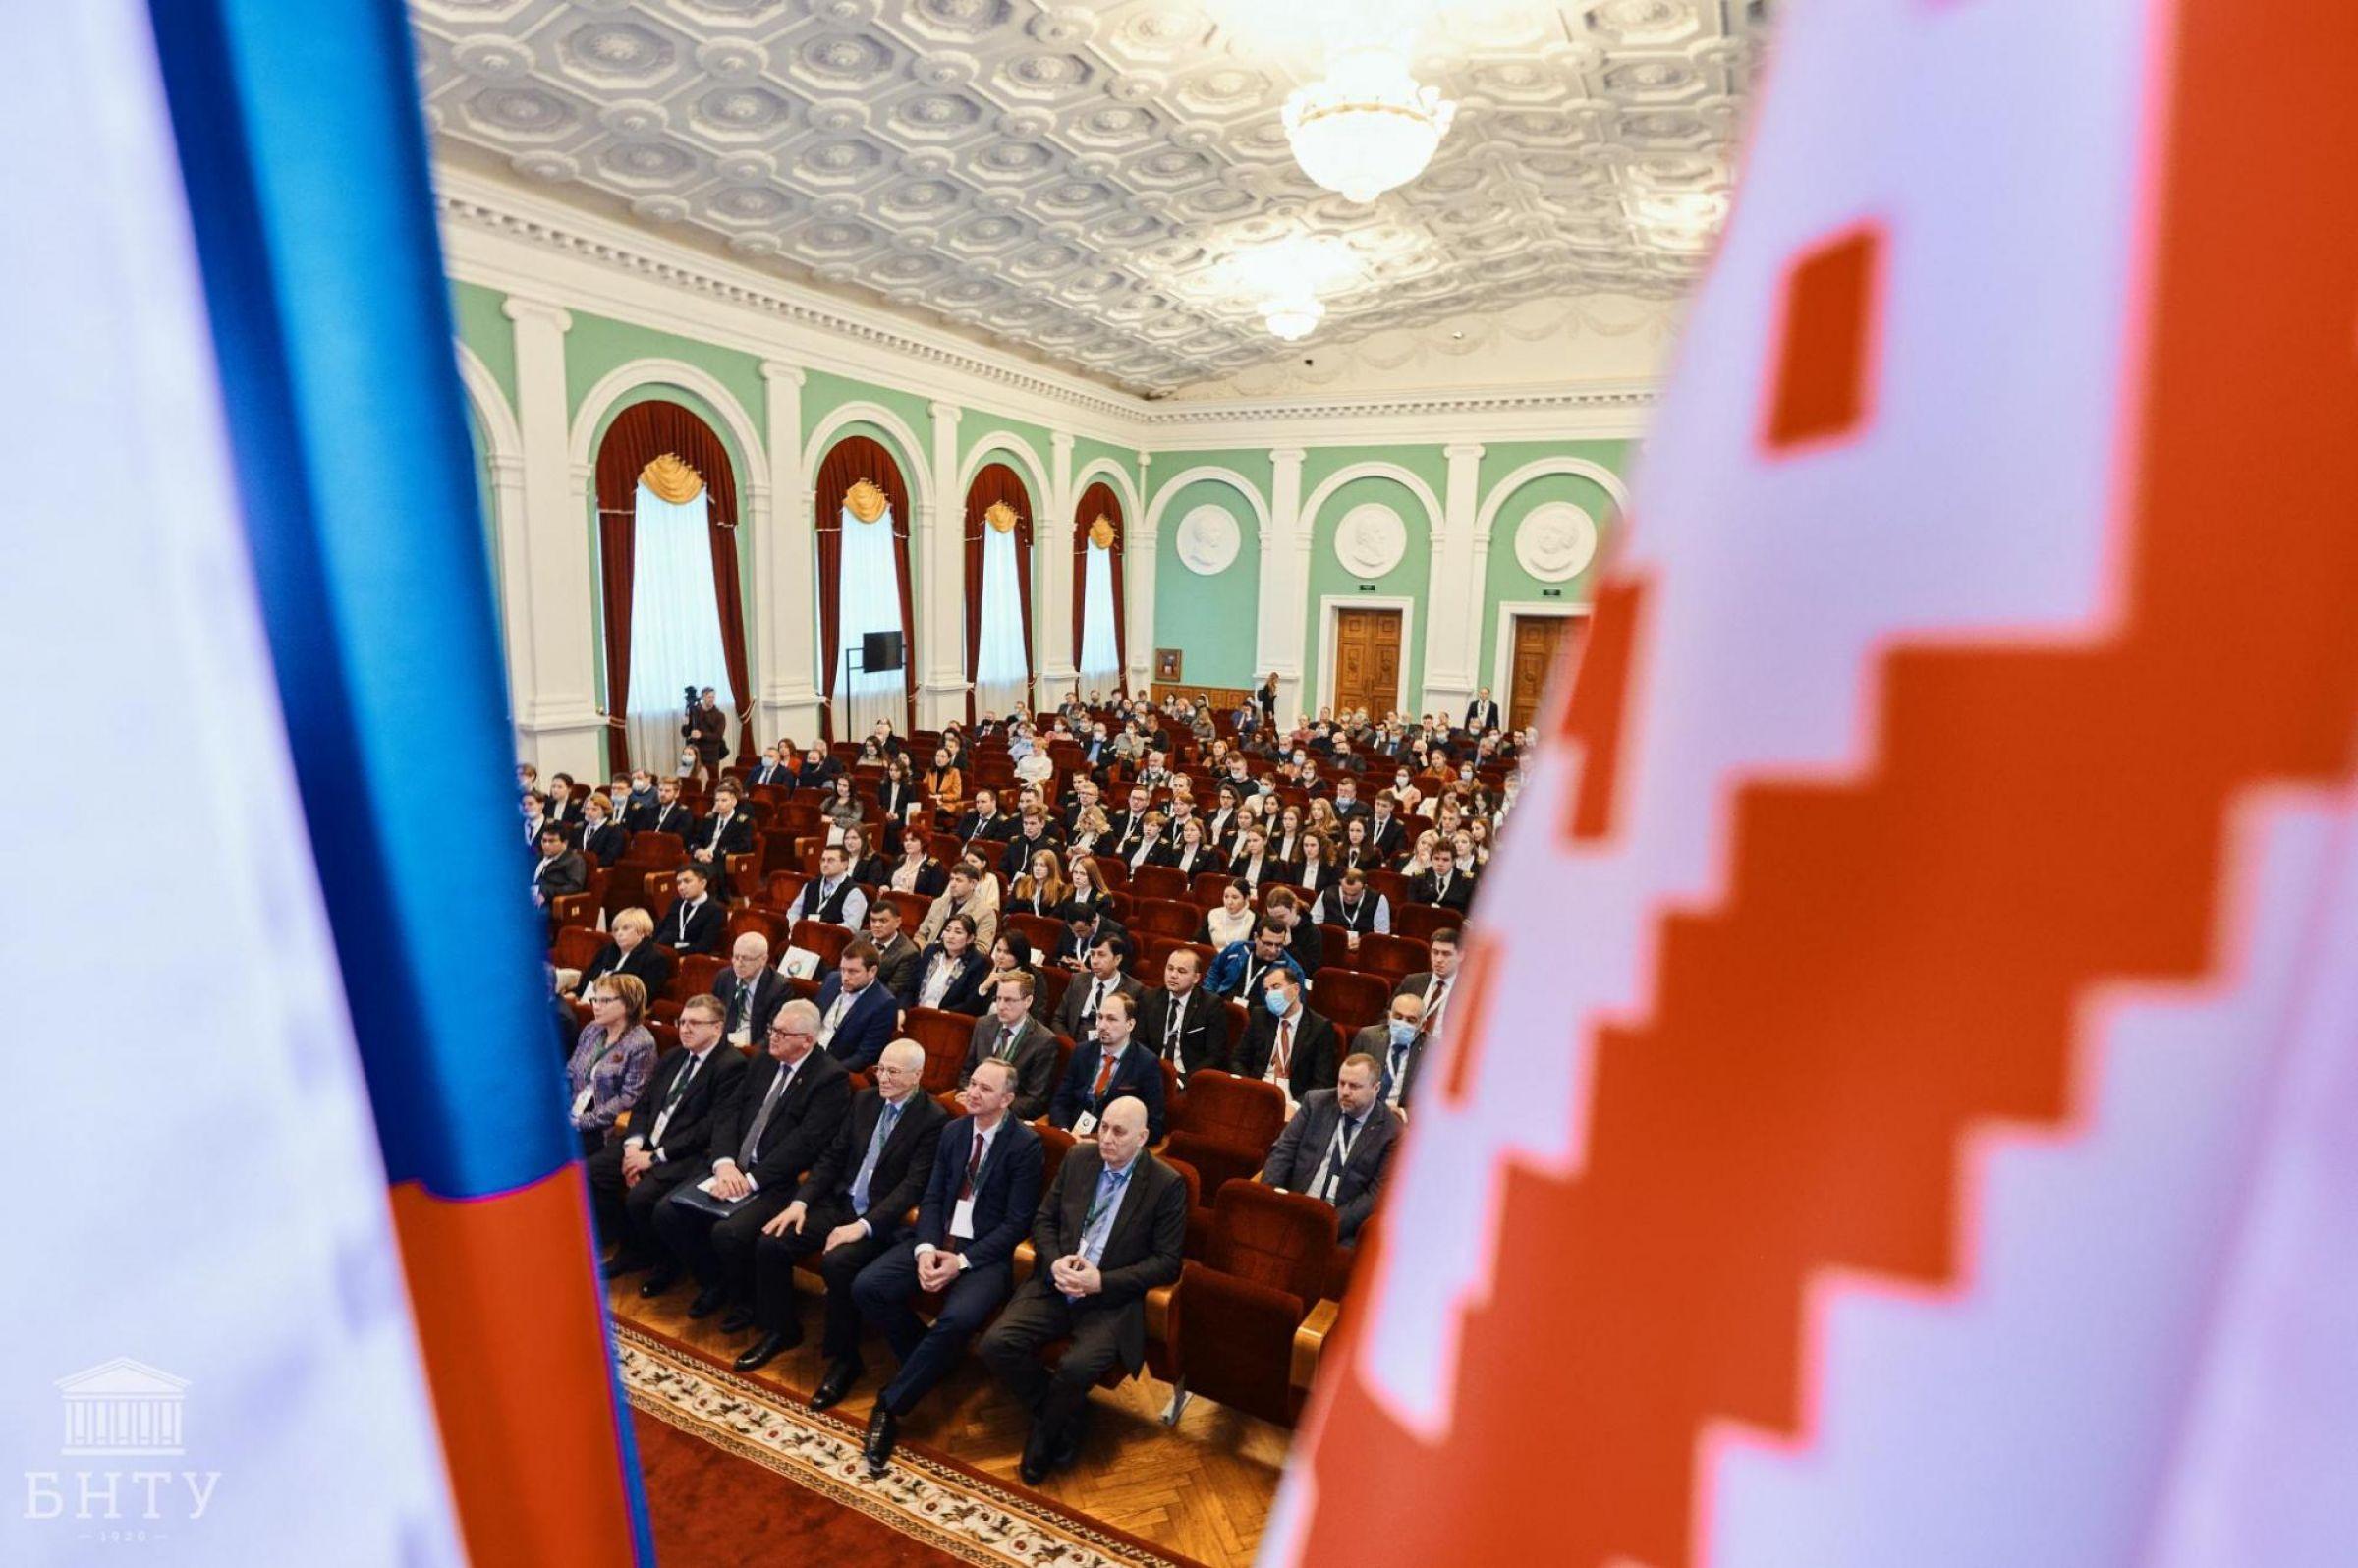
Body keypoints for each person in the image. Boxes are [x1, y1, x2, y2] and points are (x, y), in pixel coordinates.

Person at [842, 1059, 1043, 1475]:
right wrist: (925, 1249)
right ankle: (930, 1357)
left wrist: (961, 1261)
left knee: (957, 1319)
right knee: (867, 1286)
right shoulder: (953, 1131)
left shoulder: (1025, 1146)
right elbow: (933, 1197)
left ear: (1007, 1099)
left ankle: (889, 1406)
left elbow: (1016, 1224)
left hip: (983, 1256)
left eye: (985, 1089)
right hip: (937, 1238)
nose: (973, 1093)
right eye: (973, 1083)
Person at [977, 1093, 1187, 1484]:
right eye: (1104, 1127)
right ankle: (1065, 1413)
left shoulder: (1166, 1184)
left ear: (1142, 1137)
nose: (1106, 1138)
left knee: (1076, 1367)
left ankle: (1044, 1435)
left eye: (1119, 1132)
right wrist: (1054, 1259)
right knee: (996, 1344)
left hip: (1110, 1299)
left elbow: (1167, 1262)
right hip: (1057, 1282)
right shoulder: (1078, 1158)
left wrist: (1101, 1281)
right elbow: (1044, 1220)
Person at [737, 1039, 947, 1372]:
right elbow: (833, 1157)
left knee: (838, 1263)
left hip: (878, 1218)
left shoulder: (933, 1119)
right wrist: (800, 1201)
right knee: (772, 1243)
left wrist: (862, 1227)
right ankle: (782, 1330)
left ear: (917, 1075)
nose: (884, 1078)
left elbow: (912, 1187)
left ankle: (844, 1359)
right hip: (839, 1202)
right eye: (880, 1068)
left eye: (894, 1072)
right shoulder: (864, 1100)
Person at [647, 1000, 852, 1319]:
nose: (773, 1037)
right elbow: (729, 1112)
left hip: (775, 1179)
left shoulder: (829, 1079)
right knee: (667, 1212)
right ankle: (713, 1282)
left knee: (729, 1233)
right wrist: (725, 1163)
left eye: (783, 1033)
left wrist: (750, 1181)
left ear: (807, 1041)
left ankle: (746, 1302)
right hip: (732, 1166)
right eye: (773, 1029)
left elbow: (805, 1144)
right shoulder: (763, 1059)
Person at [590, 993, 748, 1282]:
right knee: (591, 1173)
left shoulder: (730, 1066)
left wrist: (654, 1157)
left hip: (684, 1153)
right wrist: (632, 1147)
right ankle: (630, 1244)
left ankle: (663, 1260)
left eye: (694, 1023)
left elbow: (708, 1128)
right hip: (646, 1142)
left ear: (717, 1027)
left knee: (640, 1198)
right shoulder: (674, 1056)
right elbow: (644, 1105)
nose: (685, 1029)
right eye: (682, 1022)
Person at [1261, 1052, 1398, 1244]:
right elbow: (1283, 1152)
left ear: (1376, 1088)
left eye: (1354, 1086)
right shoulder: (1316, 1103)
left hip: (1340, 1226)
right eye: (1342, 1083)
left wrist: (1327, 1225)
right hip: (1295, 1205)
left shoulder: (1392, 1132)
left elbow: (1375, 1196)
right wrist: (1269, 1202)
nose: (1345, 1092)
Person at [1049, 992, 1166, 1142]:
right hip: (1073, 1133)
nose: (1102, 1025)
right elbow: (1060, 1102)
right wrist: (1064, 1131)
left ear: (1130, 1024)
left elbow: (1154, 1126)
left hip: (1113, 1142)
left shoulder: (1146, 1063)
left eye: (1111, 1019)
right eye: (1100, 1017)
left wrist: (1103, 1140)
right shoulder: (1082, 1052)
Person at [565, 976, 655, 1156]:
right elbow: (570, 1071)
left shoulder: (642, 1043)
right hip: (571, 1109)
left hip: (601, 1126)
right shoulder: (592, 1029)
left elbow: (627, 1099)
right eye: (595, 999)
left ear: (628, 1004)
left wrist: (581, 1121)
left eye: (605, 1001)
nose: (596, 1006)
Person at [1229, 966, 1337, 1113]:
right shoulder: (1260, 1016)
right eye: (1266, 990)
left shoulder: (1320, 1027)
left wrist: (1297, 1106)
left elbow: (1323, 1081)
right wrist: (1249, 1087)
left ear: (1296, 989)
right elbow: (1237, 1059)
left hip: (1294, 1098)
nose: (1270, 995)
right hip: (1259, 1090)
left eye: (1276, 987)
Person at [963, 973, 1057, 1120]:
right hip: (973, 1107)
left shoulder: (1044, 1041)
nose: (1001, 1006)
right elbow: (966, 1072)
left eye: (1009, 1000)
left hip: (1009, 1117)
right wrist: (968, 1094)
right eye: (998, 999)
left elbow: (1035, 1101)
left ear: (1027, 1001)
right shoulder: (983, 1025)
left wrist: (992, 1105)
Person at [1134, 946, 1230, 1089]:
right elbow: (1139, 1043)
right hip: (1153, 1071)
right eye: (1170, 968)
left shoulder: (1211, 1005)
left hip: (1189, 1077)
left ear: (1196, 978)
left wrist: (1183, 1080)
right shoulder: (1149, 999)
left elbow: (1215, 1056)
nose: (1173, 975)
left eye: (1181, 971)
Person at [812, 942, 898, 1070]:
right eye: (842, 969)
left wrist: (828, 1071)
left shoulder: (884, 1004)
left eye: (852, 971)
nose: (845, 977)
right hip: (808, 1052)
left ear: (872, 971)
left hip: (836, 1066)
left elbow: (865, 1056)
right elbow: (812, 1019)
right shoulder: (832, 980)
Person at [1052, 931, 1143, 1042]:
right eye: (1092, 954)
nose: (1094, 961)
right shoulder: (1078, 980)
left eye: (1101, 955)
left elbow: (1133, 1033)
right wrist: (1069, 1045)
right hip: (1074, 1043)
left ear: (1117, 959)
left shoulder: (1133, 990)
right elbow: (1058, 1019)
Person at [566, 906, 673, 1000]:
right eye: (616, 930)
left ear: (642, 932)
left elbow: (641, 998)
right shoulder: (606, 951)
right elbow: (584, 983)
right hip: (588, 1002)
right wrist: (574, 994)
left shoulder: (655, 959)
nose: (619, 934)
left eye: (625, 929)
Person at [713, 931, 790, 1051]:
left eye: (746, 959)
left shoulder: (779, 988)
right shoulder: (724, 976)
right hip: (723, 1040)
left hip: (754, 1043)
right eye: (736, 957)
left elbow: (773, 1032)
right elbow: (713, 1012)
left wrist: (753, 1052)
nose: (738, 964)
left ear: (763, 959)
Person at [1397, 927, 1461, 1062]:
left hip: (1443, 1057)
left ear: (1461, 956)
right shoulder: (1412, 982)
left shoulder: (1467, 993)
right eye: (1435, 952)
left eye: (1446, 954)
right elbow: (1388, 1016)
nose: (1439, 959)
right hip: (1406, 1049)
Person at [1207, 917, 1307, 1002]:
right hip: (1223, 1006)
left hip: (1260, 1015)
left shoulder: (1292, 969)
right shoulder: (1236, 949)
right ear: (1255, 937)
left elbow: (1296, 1004)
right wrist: (1209, 998)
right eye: (1268, 944)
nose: (1273, 950)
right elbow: (1215, 972)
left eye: (1279, 945)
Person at [912, 912, 992, 1016]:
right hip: (916, 1012)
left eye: (958, 932)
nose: (950, 936)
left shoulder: (977, 963)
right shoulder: (931, 951)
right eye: (947, 930)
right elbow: (911, 986)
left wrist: (944, 1013)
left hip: (946, 1018)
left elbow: (969, 1005)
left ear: (970, 939)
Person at [916, 858, 998, 953]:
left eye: (958, 880)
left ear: (972, 884)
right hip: (929, 954)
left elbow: (982, 948)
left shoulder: (986, 912)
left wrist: (951, 956)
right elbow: (921, 935)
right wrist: (923, 953)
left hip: (960, 959)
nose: (952, 884)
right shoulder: (938, 903)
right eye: (951, 879)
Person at [689, 782, 755, 897]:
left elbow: (743, 845)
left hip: (721, 860)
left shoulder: (742, 821)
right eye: (717, 800)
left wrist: (713, 853)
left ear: (733, 801)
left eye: (724, 800)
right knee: (683, 872)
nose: (719, 804)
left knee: (696, 876)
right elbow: (696, 838)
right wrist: (697, 850)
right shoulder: (710, 818)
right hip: (701, 856)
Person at [784, 844, 870, 930]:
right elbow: (794, 912)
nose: (825, 864)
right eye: (823, 860)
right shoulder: (810, 885)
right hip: (804, 935)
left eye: (830, 860)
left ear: (844, 864)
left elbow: (851, 926)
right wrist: (795, 926)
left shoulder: (853, 892)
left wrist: (823, 932)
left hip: (832, 937)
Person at [864, 900, 925, 1009]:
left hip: (877, 1004)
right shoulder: (860, 937)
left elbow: (892, 991)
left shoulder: (908, 953)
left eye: (883, 921)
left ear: (897, 922)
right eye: (873, 920)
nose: (877, 925)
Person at [661, 864, 726, 955]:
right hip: (666, 955)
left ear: (703, 883)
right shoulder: (677, 903)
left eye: (687, 882)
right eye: (679, 883)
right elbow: (661, 930)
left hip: (690, 958)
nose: (681, 887)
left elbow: (704, 947)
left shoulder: (714, 910)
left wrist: (672, 953)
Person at [1049, 899, 1129, 973]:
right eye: (1073, 931)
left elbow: (1121, 969)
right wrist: (1063, 960)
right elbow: (1058, 954)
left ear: (1093, 922)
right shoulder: (1070, 925)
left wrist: (1089, 973)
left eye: (1080, 931)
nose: (1076, 936)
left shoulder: (1116, 932)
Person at [531, 824, 588, 914]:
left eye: (551, 841)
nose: (546, 845)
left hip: (551, 903)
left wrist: (546, 894)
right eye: (544, 841)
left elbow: (575, 887)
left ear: (565, 843)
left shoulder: (573, 860)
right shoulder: (539, 856)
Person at [1410, 841, 1476, 914]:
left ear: (1453, 861)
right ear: (1431, 859)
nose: (1440, 863)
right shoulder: (1419, 878)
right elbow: (1412, 908)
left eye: (1445, 859)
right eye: (1437, 858)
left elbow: (1471, 912)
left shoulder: (1467, 881)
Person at [684, 687, 730, 783]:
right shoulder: (694, 712)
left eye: (713, 697)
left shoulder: (719, 716)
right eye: (709, 697)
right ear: (703, 697)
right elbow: (686, 733)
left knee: (711, 782)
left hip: (711, 756)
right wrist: (686, 724)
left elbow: (718, 736)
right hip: (695, 754)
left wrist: (701, 735)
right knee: (694, 782)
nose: (712, 699)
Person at [1007, 848, 1070, 919]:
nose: (1037, 869)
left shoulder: (1061, 890)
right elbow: (1010, 910)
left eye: (1042, 865)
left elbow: (1057, 918)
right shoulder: (1021, 883)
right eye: (1035, 864)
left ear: (1051, 868)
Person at [1200, 877, 1257, 949]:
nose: (1229, 902)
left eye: (1235, 897)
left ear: (1246, 898)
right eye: (1226, 897)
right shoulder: (1213, 914)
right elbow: (1200, 943)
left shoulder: (1254, 918)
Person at [578, 792, 630, 868]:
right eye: (587, 809)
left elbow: (609, 858)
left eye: (594, 809)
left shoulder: (614, 830)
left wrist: (585, 865)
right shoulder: (580, 828)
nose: (589, 813)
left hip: (597, 868)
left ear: (605, 810)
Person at [887, 834, 947, 899]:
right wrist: (886, 887)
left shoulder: (933, 865)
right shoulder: (900, 859)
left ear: (922, 843)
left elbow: (934, 896)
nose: (908, 843)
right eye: (906, 840)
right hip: (891, 900)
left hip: (915, 903)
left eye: (912, 840)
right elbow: (887, 881)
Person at [646, 777, 697, 843]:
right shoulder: (652, 810)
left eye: (667, 791)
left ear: (677, 793)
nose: (662, 794)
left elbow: (679, 838)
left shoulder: (683, 813)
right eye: (660, 790)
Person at [924, 746, 964, 814]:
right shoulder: (930, 771)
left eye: (943, 756)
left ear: (948, 760)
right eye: (937, 756)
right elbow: (923, 789)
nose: (939, 759)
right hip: (932, 802)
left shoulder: (954, 772)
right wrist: (932, 798)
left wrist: (941, 797)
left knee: (935, 811)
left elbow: (957, 795)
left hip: (946, 804)